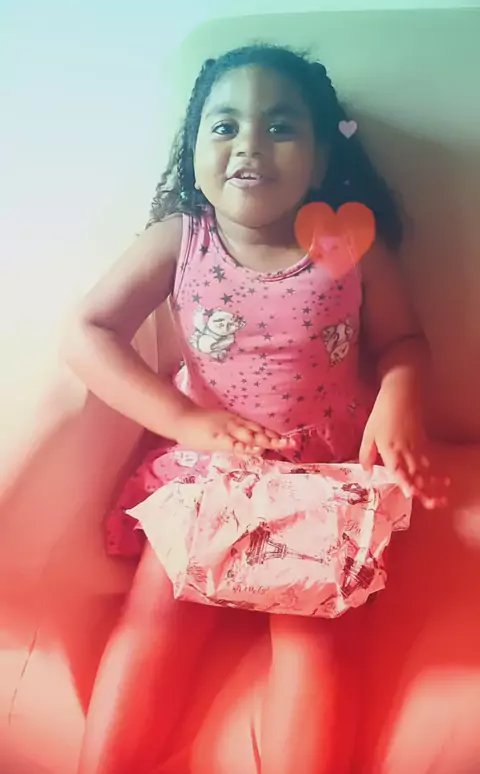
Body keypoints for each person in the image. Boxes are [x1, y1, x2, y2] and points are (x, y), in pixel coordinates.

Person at [68, 44, 442, 774]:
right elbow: (89, 332)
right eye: (224, 125)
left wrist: (399, 398)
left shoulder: (347, 244)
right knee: (153, 617)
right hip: (209, 471)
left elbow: (404, 341)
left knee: (313, 638)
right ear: (194, 148)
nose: (249, 144)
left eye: (280, 127)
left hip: (317, 478)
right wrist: (183, 422)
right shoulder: (180, 241)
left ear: (321, 155)